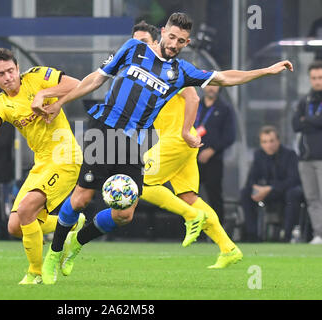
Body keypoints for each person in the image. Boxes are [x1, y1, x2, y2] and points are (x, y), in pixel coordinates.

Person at [36, 12, 293, 285]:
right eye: (171, 36)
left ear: (186, 42)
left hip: (133, 141)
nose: (174, 43)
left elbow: (225, 78)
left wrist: (265, 71)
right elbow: (96, 79)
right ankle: (53, 254)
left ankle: (77, 243)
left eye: (181, 40)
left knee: (124, 215)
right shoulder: (134, 48)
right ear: (162, 32)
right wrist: (59, 102)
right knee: (81, 199)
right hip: (104, 130)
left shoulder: (182, 71)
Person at [0, 48, 85, 285]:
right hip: (42, 162)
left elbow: (78, 84)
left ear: (18, 69)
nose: (8, 77)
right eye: (1, 74)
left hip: (65, 156)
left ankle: (36, 273)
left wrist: (44, 95)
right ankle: (71, 226)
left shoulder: (38, 76)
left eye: (11, 71)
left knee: (28, 208)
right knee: (14, 226)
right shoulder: (2, 102)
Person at [132, 21, 242, 268]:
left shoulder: (169, 67)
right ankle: (228, 248)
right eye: (135, 41)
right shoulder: (144, 68)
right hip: (180, 141)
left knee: (141, 182)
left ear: (155, 39)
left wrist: (183, 131)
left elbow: (192, 95)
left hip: (178, 139)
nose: (139, 46)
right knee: (190, 196)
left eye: (143, 41)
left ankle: (191, 217)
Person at [240, 126, 303, 242]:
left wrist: (270, 188)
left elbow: (294, 180)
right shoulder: (258, 154)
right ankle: (252, 235)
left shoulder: (290, 155)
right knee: (245, 193)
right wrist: (256, 188)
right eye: (264, 142)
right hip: (266, 192)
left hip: (283, 191)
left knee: (293, 193)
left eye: (271, 141)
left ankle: (287, 236)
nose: (268, 145)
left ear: (278, 140)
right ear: (260, 143)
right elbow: (251, 179)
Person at [292, 60, 322, 244]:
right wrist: (314, 120)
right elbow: (296, 124)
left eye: (320, 77)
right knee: (312, 199)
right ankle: (319, 234)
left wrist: (308, 120)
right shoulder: (305, 100)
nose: (317, 81)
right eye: (314, 78)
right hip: (305, 158)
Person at [197, 85, 236, 224]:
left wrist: (212, 150)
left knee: (214, 195)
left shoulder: (225, 109)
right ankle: (187, 229)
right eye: (209, 84)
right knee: (188, 193)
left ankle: (218, 230)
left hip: (213, 160)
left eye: (215, 85)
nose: (211, 88)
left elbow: (230, 136)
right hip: (191, 159)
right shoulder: (195, 104)